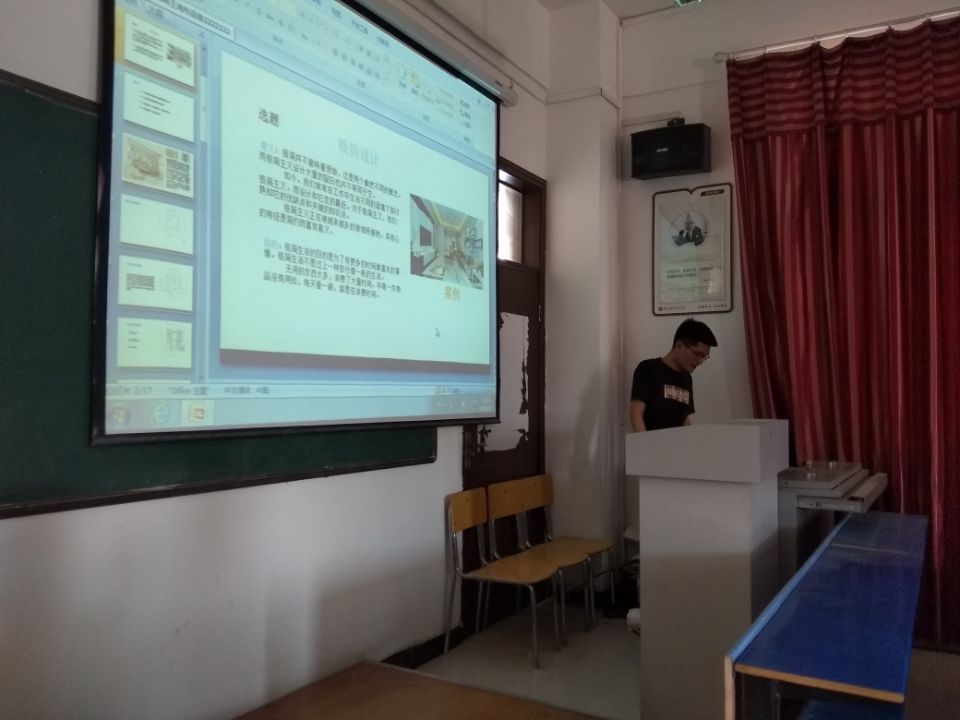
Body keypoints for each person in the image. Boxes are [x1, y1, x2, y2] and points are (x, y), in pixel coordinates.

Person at [630, 318, 717, 432]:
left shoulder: (687, 378)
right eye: (698, 354)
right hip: (651, 441)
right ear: (679, 345)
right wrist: (644, 442)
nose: (700, 361)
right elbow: (636, 414)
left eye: (704, 357)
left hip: (678, 442)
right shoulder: (648, 368)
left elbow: (685, 419)